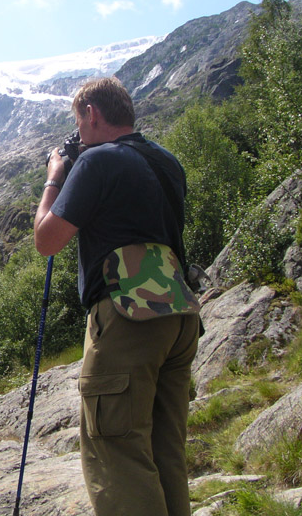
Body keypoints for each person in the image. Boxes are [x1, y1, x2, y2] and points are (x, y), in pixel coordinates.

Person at [34, 77, 200, 516]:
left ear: (91, 114)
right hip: (179, 314)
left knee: (117, 452)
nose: (80, 133)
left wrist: (55, 177)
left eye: (79, 123)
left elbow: (47, 239)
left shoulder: (97, 163)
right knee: (165, 450)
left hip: (128, 315)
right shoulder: (169, 162)